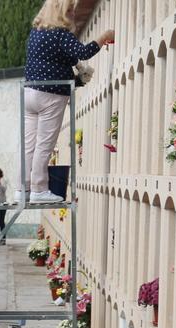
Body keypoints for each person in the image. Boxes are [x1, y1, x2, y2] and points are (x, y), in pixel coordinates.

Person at [19, 0, 114, 203]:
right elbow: (83, 53)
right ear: (60, 12)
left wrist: (78, 76)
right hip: (50, 96)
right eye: (69, 10)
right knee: (44, 145)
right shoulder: (61, 34)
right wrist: (104, 37)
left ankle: (23, 188)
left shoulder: (36, 33)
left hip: (29, 94)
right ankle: (39, 189)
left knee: (29, 144)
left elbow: (63, 59)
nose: (72, 14)